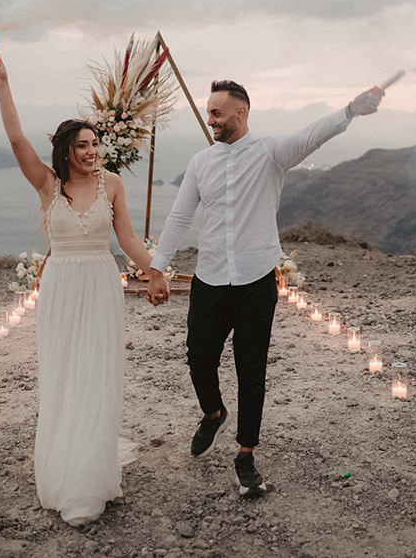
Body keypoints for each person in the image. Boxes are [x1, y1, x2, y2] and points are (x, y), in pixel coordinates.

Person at [147, 79, 383, 496]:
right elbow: (179, 218)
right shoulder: (201, 162)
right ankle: (214, 411)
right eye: (208, 112)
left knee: (250, 369)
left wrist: (350, 111)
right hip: (210, 279)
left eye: (217, 113)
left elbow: (312, 134)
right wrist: (156, 268)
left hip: (256, 282)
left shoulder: (271, 153)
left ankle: (246, 455)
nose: (210, 119)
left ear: (241, 113)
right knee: (199, 357)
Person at [0, 53, 168, 525]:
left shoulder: (111, 184)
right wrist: (4, 84)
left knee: (98, 375)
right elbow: (15, 138)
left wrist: (155, 271)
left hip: (102, 287)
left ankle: (91, 474)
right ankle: (67, 470)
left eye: (95, 144)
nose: (92, 152)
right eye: (83, 145)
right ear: (67, 151)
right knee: (65, 377)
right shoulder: (48, 186)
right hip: (63, 289)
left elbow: (127, 239)